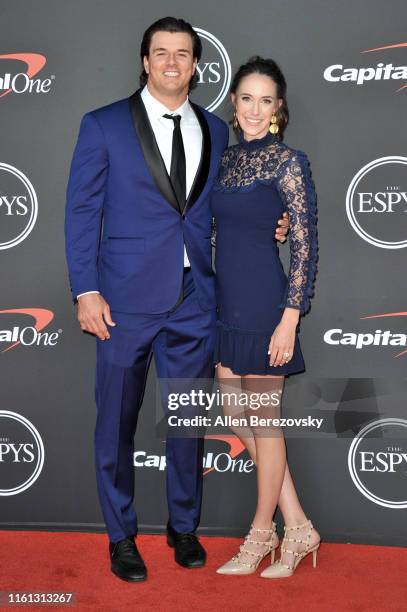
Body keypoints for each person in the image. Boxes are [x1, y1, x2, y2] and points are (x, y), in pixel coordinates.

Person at [64, 19, 289, 583]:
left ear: (195, 65)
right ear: (145, 61)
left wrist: (276, 224)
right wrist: (85, 290)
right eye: (160, 53)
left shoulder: (216, 129)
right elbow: (81, 213)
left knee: (187, 421)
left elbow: (234, 206)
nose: (171, 63)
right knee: (116, 421)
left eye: (182, 54)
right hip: (123, 301)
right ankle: (120, 535)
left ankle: (183, 526)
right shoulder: (104, 125)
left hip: (194, 301)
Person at [211, 56, 320, 578]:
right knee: (240, 415)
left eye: (266, 100)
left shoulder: (287, 162)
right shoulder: (225, 163)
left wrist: (289, 317)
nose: (255, 109)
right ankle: (298, 525)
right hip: (225, 306)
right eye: (246, 98)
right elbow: (216, 233)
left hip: (265, 305)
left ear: (279, 109)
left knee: (264, 419)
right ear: (234, 103)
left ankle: (261, 535)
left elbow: (304, 243)